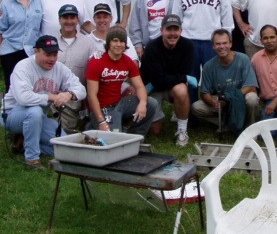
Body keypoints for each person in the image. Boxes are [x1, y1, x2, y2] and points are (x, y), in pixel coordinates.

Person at [1, 35, 86, 168]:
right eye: (47, 54)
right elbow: (23, 98)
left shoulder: (60, 68)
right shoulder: (23, 67)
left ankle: (24, 142)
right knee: (34, 111)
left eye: (54, 54)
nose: (52, 59)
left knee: (62, 146)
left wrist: (69, 94)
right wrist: (51, 97)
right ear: (36, 51)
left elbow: (81, 89)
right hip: (11, 115)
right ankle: (32, 159)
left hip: (39, 118)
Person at [171, 0, 233, 98]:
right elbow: (176, 18)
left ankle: (214, 114)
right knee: (191, 80)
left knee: (215, 78)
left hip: (212, 42)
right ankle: (191, 116)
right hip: (189, 40)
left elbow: (226, 15)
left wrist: (227, 39)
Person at [86, 27, 157, 136]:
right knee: (114, 138)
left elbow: (139, 87)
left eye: (122, 41)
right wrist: (101, 121)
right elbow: (91, 95)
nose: (119, 44)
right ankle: (94, 126)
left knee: (151, 103)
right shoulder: (96, 62)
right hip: (102, 109)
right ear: (109, 43)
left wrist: (142, 103)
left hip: (120, 105)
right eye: (115, 40)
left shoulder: (128, 62)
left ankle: (136, 137)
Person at [140, 14, 195, 146]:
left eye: (175, 29)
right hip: (152, 88)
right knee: (155, 131)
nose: (172, 34)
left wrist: (180, 78)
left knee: (181, 89)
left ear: (181, 31)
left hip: (171, 87)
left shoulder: (188, 46)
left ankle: (182, 130)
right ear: (162, 30)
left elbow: (181, 75)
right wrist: (184, 78)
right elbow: (158, 81)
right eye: (168, 29)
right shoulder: (152, 47)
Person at [191, 29, 259, 132]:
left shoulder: (243, 59)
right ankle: (228, 123)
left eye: (224, 43)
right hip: (221, 100)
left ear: (230, 43)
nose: (222, 47)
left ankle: (251, 129)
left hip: (239, 98)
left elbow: (251, 86)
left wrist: (229, 98)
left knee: (252, 98)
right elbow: (204, 93)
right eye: (218, 44)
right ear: (213, 46)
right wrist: (213, 102)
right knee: (196, 107)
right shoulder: (208, 66)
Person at [0, 0, 43, 92]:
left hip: (31, 52)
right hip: (10, 52)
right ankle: (11, 111)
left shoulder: (38, 2)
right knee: (12, 87)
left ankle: (30, 112)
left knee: (30, 86)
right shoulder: (5, 4)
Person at [57, 4, 97, 85]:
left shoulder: (88, 43)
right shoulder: (51, 42)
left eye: (72, 18)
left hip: (81, 95)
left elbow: (94, 72)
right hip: (55, 95)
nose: (69, 21)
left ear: (78, 20)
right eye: (65, 17)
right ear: (59, 20)